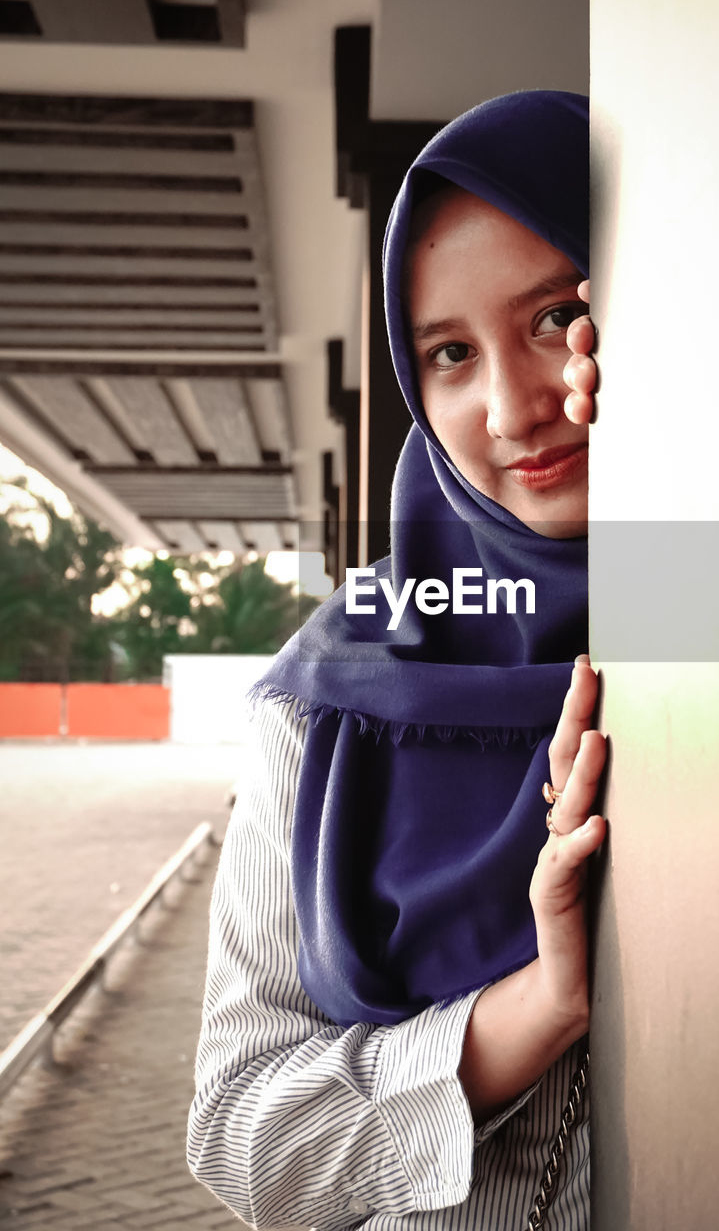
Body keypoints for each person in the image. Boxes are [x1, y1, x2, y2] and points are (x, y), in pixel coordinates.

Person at [188, 90, 606, 1231]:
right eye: (449, 353)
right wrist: (529, 1010)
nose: (513, 408)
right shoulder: (327, 697)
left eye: (555, 317)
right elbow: (240, 1136)